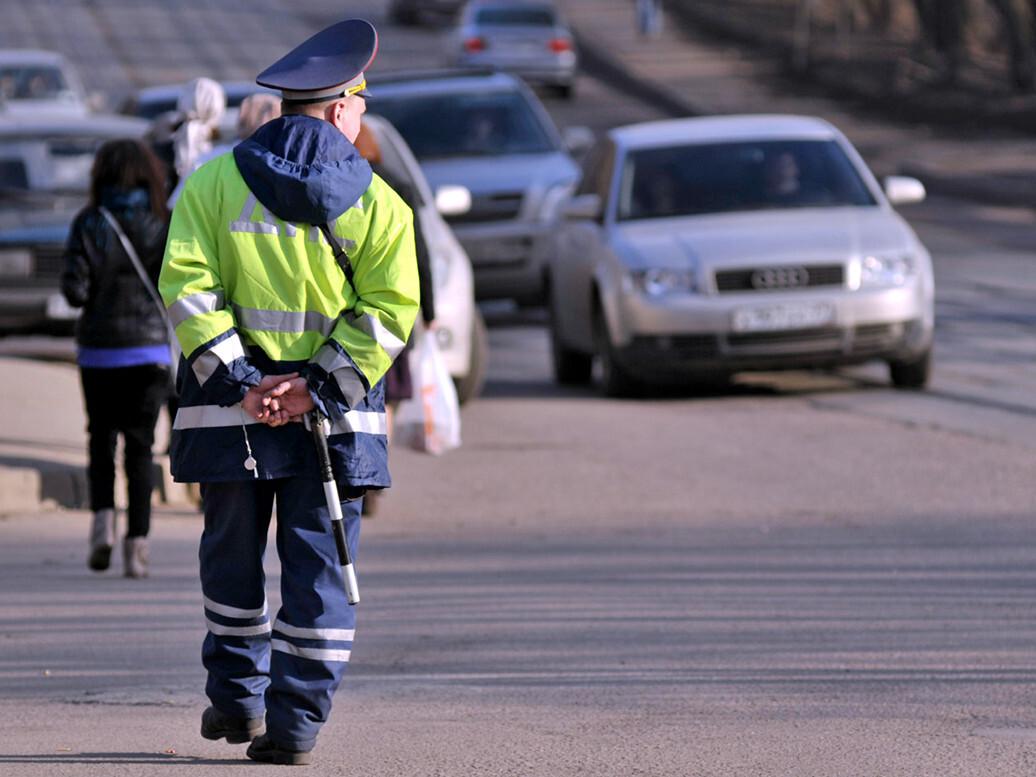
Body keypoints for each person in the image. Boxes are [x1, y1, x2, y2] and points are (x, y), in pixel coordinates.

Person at [159, 18, 419, 765]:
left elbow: (185, 290)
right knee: (320, 566)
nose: (360, 118)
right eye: (361, 107)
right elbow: (389, 312)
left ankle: (238, 698)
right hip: (335, 424)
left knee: (231, 560)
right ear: (340, 109)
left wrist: (245, 384)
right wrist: (314, 387)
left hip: (227, 415)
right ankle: (296, 722)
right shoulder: (381, 205)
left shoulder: (210, 183)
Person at [61, 139, 172, 579]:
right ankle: (137, 548)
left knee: (100, 440)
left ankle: (102, 527)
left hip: (99, 352)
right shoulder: (162, 224)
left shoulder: (89, 222)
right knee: (141, 449)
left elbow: (74, 292)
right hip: (149, 352)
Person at [351, 122, 436, 517]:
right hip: (392, 318)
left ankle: (359, 470)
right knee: (386, 396)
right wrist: (428, 311)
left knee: (356, 390)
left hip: (355, 316)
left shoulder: (345, 186)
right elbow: (419, 254)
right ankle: (372, 472)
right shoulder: (398, 184)